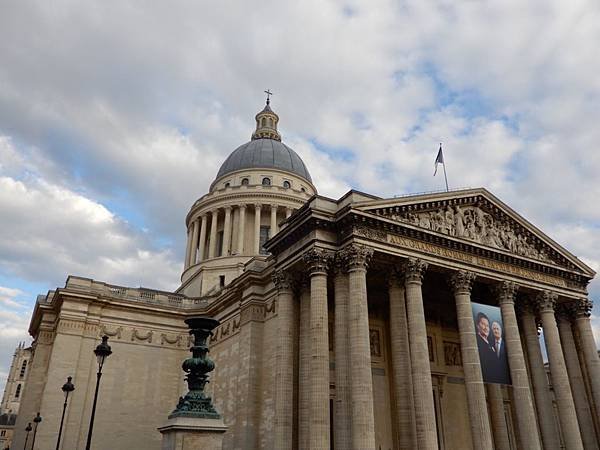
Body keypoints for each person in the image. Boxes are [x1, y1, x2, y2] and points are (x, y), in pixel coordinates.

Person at [475, 312, 497, 383]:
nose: (486, 328)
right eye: (483, 324)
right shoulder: (476, 341)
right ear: (477, 325)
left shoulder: (491, 343)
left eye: (487, 325)